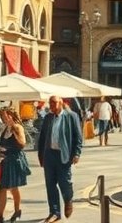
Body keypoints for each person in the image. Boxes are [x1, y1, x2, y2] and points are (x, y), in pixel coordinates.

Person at [37, 95, 82, 223]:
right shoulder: (48, 118)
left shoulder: (71, 116)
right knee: (50, 184)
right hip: (49, 154)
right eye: (50, 103)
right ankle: (54, 212)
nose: (51, 105)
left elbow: (78, 137)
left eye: (54, 103)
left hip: (64, 154)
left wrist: (77, 153)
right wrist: (41, 155)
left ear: (61, 103)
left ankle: (68, 199)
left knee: (64, 183)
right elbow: (42, 138)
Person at [0, 106, 31, 223]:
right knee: (3, 188)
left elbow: (22, 144)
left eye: (5, 115)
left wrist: (14, 130)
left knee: (13, 187)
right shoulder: (5, 128)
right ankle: (0, 216)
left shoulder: (18, 127)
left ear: (11, 115)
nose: (3, 118)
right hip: (5, 161)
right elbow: (0, 143)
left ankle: (17, 210)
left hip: (15, 160)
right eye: (2, 116)